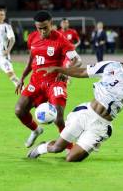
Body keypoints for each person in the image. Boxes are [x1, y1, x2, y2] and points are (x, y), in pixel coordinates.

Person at [28, 49, 123, 162]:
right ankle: (41, 148)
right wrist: (59, 69)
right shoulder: (110, 65)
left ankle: (87, 143)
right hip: (86, 114)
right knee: (57, 148)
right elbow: (82, 71)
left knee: (71, 158)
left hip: (101, 125)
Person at [14, 10, 82, 148]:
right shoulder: (33, 38)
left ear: (51, 24)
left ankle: (70, 148)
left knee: (58, 119)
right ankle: (36, 130)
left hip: (55, 82)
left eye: (45, 27)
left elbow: (77, 60)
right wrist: (22, 77)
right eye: (39, 28)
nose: (42, 31)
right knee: (19, 110)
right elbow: (31, 60)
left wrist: (66, 71)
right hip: (36, 81)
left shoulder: (61, 39)